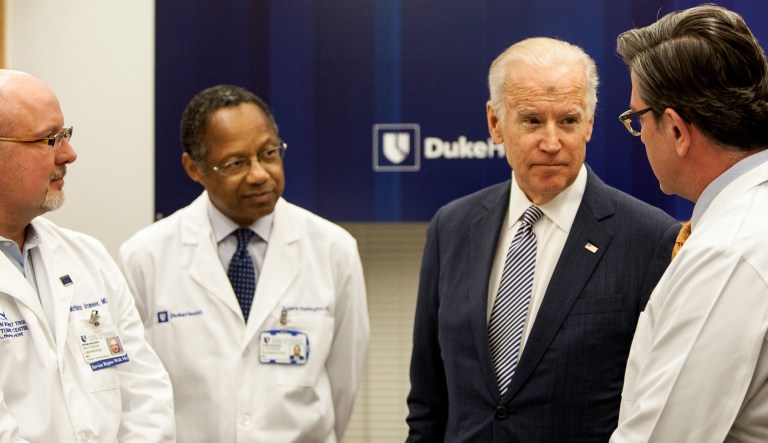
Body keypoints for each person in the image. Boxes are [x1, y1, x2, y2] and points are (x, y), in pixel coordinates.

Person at [406, 37, 680, 441]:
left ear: (589, 123)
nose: (552, 143)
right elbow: (428, 403)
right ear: (495, 123)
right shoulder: (452, 227)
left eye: (568, 121)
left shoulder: (650, 237)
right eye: (532, 120)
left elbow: (657, 405)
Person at [118, 84, 370, 442]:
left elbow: (343, 383)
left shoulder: (333, 250)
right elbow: (134, 389)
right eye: (236, 163)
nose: (259, 174)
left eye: (269, 153)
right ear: (194, 168)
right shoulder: (144, 257)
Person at [612, 5, 768, 441]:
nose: (639, 133)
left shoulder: (728, 252)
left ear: (677, 131)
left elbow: (663, 434)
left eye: (637, 118)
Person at [0, 69, 175, 441]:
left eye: (66, 134)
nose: (70, 153)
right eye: (50, 139)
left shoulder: (87, 257)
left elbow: (145, 392)